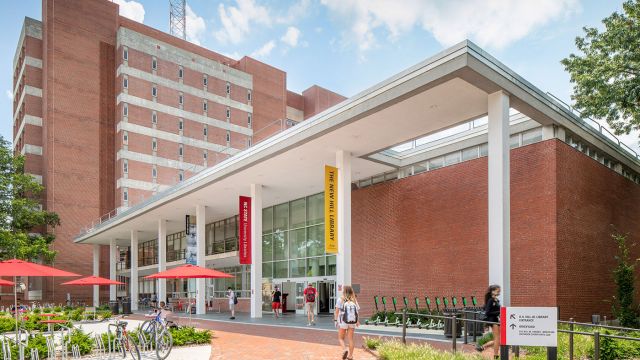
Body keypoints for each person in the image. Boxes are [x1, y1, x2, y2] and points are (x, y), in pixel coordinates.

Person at [476, 284, 501, 359]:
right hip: (492, 320)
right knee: (497, 339)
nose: (499, 291)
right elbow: (487, 312)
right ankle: (496, 356)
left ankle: (482, 347)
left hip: (496, 320)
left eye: (499, 290)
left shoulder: (495, 299)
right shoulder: (490, 300)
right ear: (492, 291)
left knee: (498, 339)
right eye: (498, 290)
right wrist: (499, 312)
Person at [334, 285, 360, 360]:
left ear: (344, 291)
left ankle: (345, 349)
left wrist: (335, 321)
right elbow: (357, 312)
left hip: (343, 321)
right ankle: (350, 356)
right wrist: (357, 321)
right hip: (352, 321)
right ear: (351, 291)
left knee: (341, 338)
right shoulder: (354, 299)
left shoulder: (340, 299)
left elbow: (336, 312)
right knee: (350, 339)